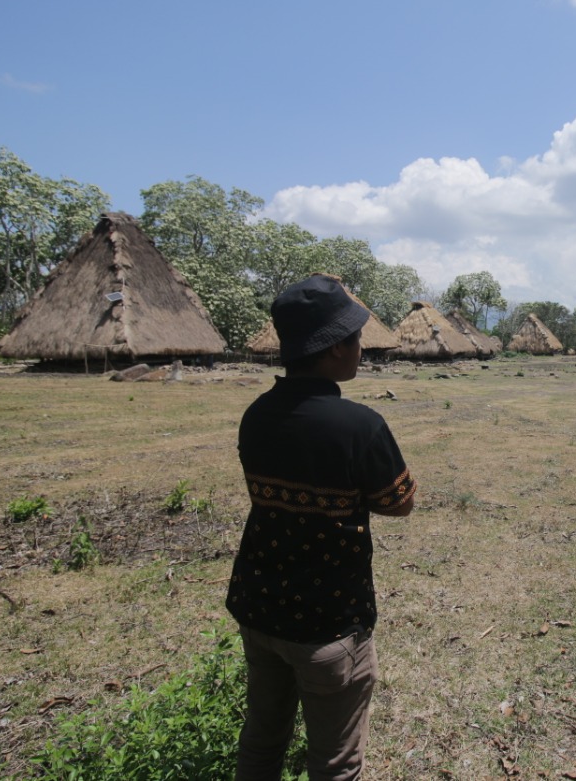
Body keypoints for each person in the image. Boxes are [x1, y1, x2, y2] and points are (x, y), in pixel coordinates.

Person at [226, 275, 416, 781]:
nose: (361, 349)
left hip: (260, 608)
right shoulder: (360, 425)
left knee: (262, 741)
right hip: (328, 622)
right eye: (356, 339)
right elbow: (399, 503)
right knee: (335, 762)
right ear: (334, 350)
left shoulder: (256, 415)